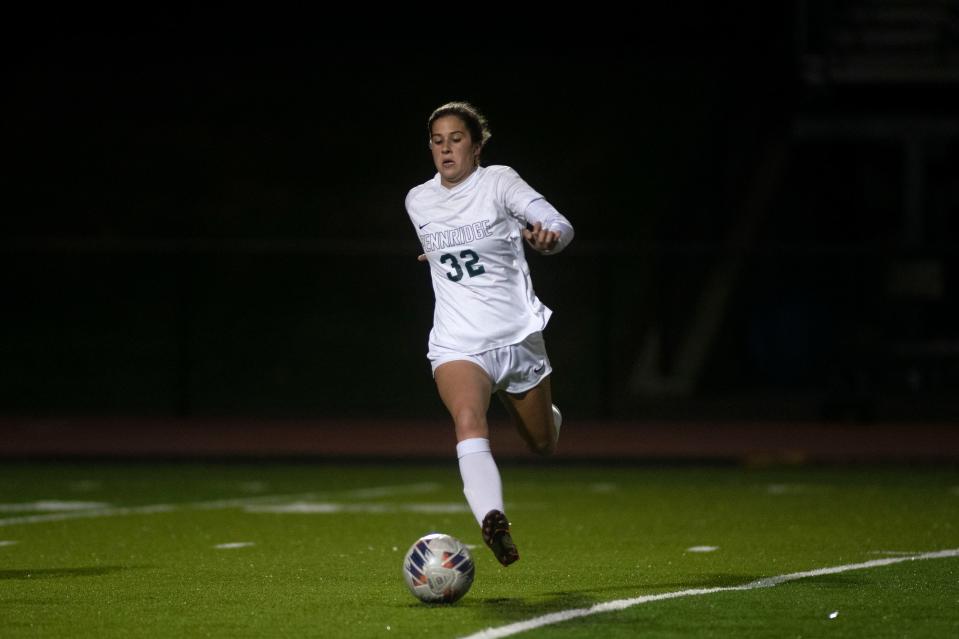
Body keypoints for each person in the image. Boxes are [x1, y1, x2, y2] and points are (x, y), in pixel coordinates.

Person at [404, 101, 574, 566]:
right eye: (437, 140)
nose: (445, 148)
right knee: (466, 420)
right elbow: (447, 249)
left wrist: (548, 237)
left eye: (455, 138)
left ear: (476, 146)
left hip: (518, 337)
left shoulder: (499, 181)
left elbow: (556, 223)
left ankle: (544, 414)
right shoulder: (418, 200)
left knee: (542, 443)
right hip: (459, 343)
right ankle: (493, 519)